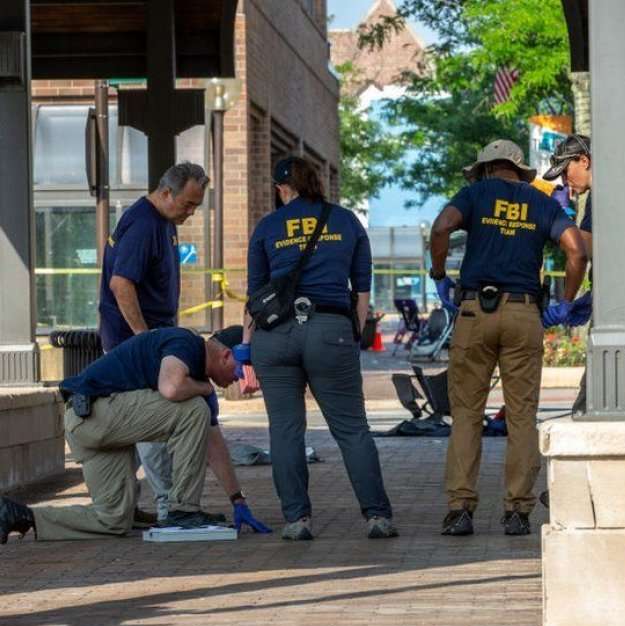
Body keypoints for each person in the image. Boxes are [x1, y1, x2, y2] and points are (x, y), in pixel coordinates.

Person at [429, 139, 588, 536]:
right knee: (521, 416)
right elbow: (576, 252)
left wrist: (438, 275)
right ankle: (517, 510)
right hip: (523, 314)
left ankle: (460, 508)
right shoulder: (541, 203)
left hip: (473, 312)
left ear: (485, 169)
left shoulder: (474, 194)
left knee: (466, 413)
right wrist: (566, 302)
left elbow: (441, 227)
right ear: (519, 170)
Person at [242, 156, 397, 541]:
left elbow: (255, 299)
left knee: (286, 430)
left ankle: (297, 520)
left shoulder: (267, 226)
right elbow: (361, 290)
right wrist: (354, 334)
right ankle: (376, 516)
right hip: (331, 328)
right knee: (351, 429)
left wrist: (246, 352)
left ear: (282, 188)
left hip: (275, 336)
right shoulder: (345, 221)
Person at [0, 328, 270, 543]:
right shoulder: (186, 343)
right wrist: (206, 390)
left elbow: (215, 446)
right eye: (241, 369)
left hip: (91, 424)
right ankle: (183, 510)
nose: (241, 380)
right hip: (94, 414)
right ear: (225, 354)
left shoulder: (198, 383)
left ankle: (21, 516)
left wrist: (238, 499)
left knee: (113, 519)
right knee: (193, 409)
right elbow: (171, 387)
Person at [98, 162, 209, 524]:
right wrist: (143, 339)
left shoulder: (161, 221)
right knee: (154, 422)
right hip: (135, 345)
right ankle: (169, 506)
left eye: (196, 206)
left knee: (135, 425)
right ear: (166, 193)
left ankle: (127, 506)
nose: (190, 213)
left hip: (146, 340)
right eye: (187, 205)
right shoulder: (145, 224)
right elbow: (121, 284)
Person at [542, 134, 594, 414]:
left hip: (623, 308)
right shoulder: (597, 196)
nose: (564, 182)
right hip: (610, 297)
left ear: (583, 160)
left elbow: (584, 250)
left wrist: (560, 216)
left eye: (566, 172)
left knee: (590, 397)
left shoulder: (604, 194)